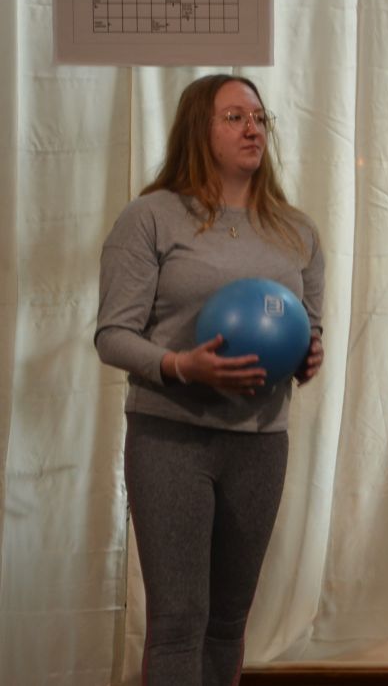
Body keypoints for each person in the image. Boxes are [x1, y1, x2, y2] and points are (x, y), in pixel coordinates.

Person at [95, 74, 325, 685]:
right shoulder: (150, 217)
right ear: (199, 128)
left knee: (227, 622)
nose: (253, 128)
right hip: (171, 439)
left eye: (260, 118)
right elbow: (112, 334)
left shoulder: (296, 230)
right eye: (234, 117)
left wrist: (308, 357)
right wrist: (180, 366)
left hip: (260, 444)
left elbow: (310, 328)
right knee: (178, 622)